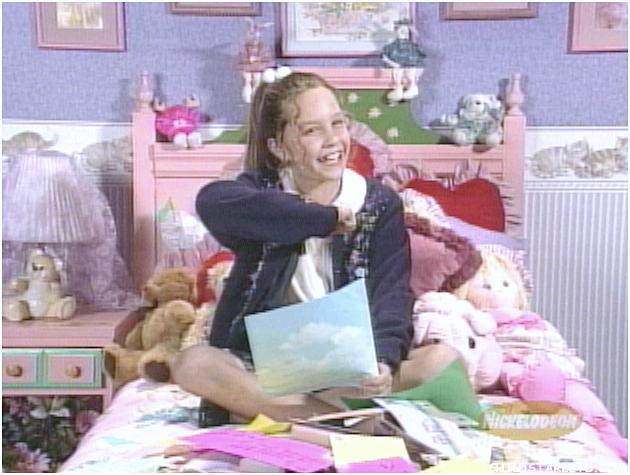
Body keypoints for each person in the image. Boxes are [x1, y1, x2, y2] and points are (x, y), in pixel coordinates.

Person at [172, 71, 459, 424]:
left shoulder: (379, 203)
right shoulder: (260, 198)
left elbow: (391, 293)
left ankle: (299, 412)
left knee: (441, 359)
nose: (332, 140)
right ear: (278, 148)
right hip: (267, 366)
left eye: (338, 123)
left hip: (349, 366)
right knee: (193, 363)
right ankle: (342, 421)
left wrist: (384, 361)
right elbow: (212, 201)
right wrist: (323, 218)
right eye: (311, 130)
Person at [381, 19, 426, 103]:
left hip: (411, 67)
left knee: (410, 71)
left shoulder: (413, 46)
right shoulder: (391, 46)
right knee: (398, 72)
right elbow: (384, 56)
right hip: (397, 67)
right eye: (402, 31)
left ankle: (412, 87)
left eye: (406, 31)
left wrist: (416, 34)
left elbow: (423, 53)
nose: (404, 33)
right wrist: (393, 63)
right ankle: (398, 90)